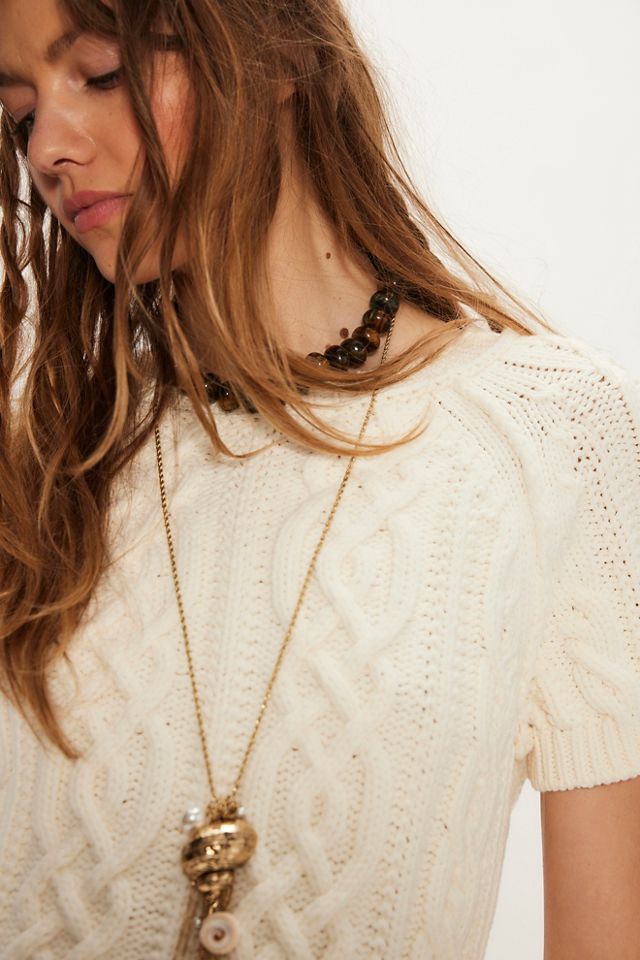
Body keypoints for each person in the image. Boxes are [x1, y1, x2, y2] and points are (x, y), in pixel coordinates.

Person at [0, 1, 638, 958]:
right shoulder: (38, 459)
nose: (50, 146)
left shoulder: (547, 438)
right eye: (19, 114)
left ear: (275, 54)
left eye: (103, 73)